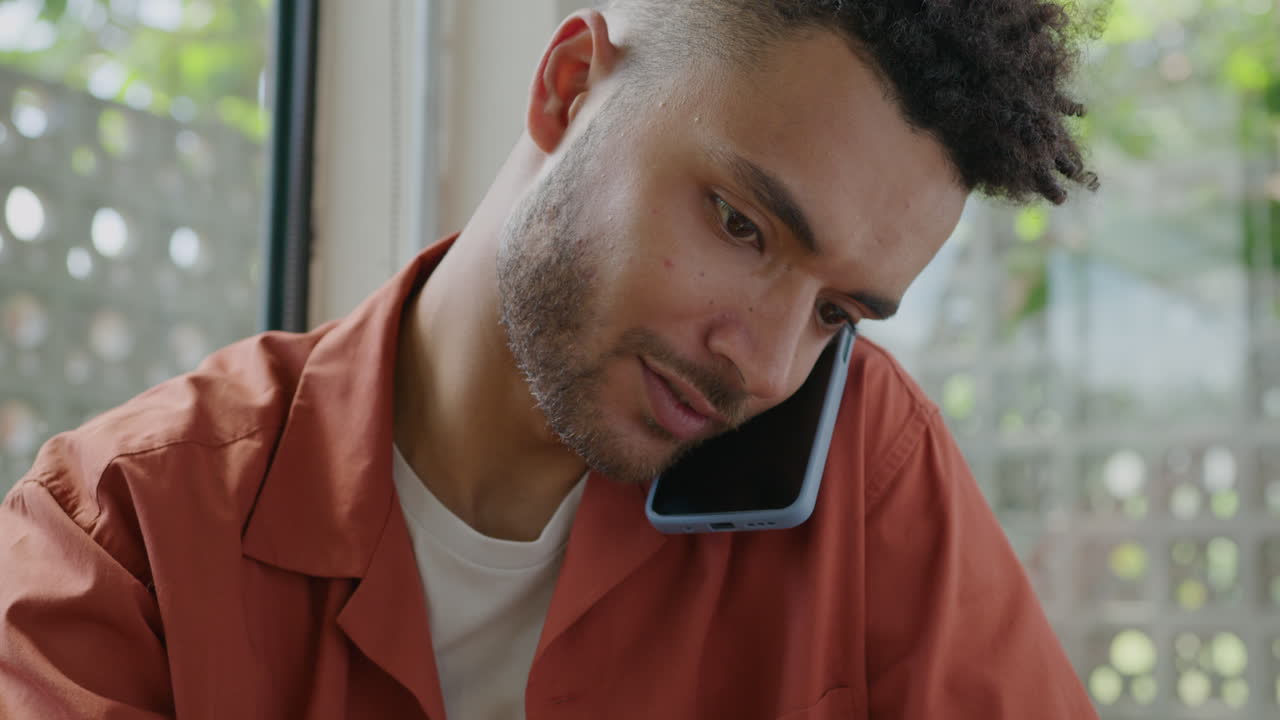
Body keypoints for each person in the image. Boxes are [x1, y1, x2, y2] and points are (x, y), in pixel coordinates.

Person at [0, 1, 1102, 718]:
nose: (763, 368)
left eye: (836, 313)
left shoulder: (861, 468)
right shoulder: (119, 535)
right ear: (568, 86)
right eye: (738, 225)